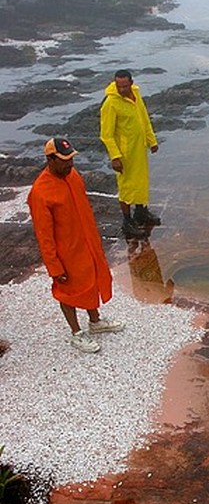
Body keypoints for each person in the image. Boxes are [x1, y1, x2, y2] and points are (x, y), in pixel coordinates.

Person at [27, 136, 125, 354]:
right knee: (67, 291)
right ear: (50, 159)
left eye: (71, 158)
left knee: (91, 280)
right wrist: (54, 266)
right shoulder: (40, 192)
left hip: (87, 242)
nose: (70, 163)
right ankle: (76, 333)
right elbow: (44, 236)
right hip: (66, 252)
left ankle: (95, 321)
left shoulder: (73, 176)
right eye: (64, 159)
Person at [100, 69, 160, 238]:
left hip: (139, 148)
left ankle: (141, 212)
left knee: (141, 181)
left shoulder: (136, 93)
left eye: (125, 86)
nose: (122, 90)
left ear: (131, 83)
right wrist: (115, 157)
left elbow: (144, 118)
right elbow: (106, 134)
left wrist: (152, 141)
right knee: (126, 187)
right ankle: (127, 222)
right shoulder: (110, 103)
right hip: (125, 153)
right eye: (119, 86)